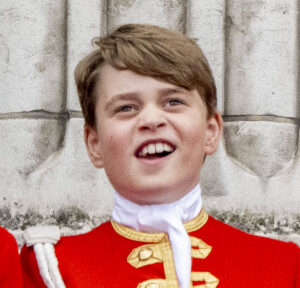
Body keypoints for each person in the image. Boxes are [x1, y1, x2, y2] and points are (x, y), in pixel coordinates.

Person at [20, 24, 300, 288]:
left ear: (211, 131)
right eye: (126, 108)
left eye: (174, 101)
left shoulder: (282, 267)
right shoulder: (49, 269)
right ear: (94, 144)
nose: (151, 120)